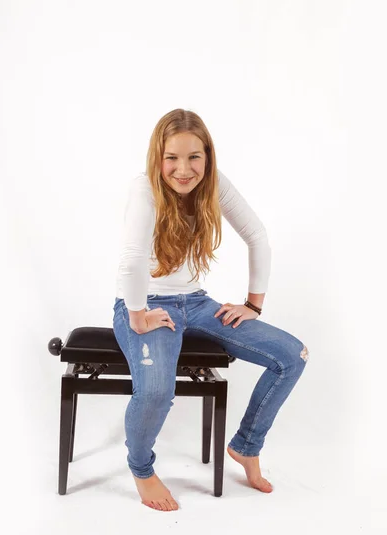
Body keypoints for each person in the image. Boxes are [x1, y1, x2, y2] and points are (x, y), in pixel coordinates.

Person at [113, 108, 309, 512]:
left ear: (207, 156)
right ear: (157, 158)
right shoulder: (144, 189)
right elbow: (132, 259)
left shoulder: (214, 185)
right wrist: (137, 316)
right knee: (155, 391)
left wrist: (254, 303)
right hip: (144, 303)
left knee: (293, 356)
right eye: (172, 158)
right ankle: (141, 468)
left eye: (194, 157)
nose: (183, 169)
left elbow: (257, 235)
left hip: (197, 303)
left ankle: (246, 446)